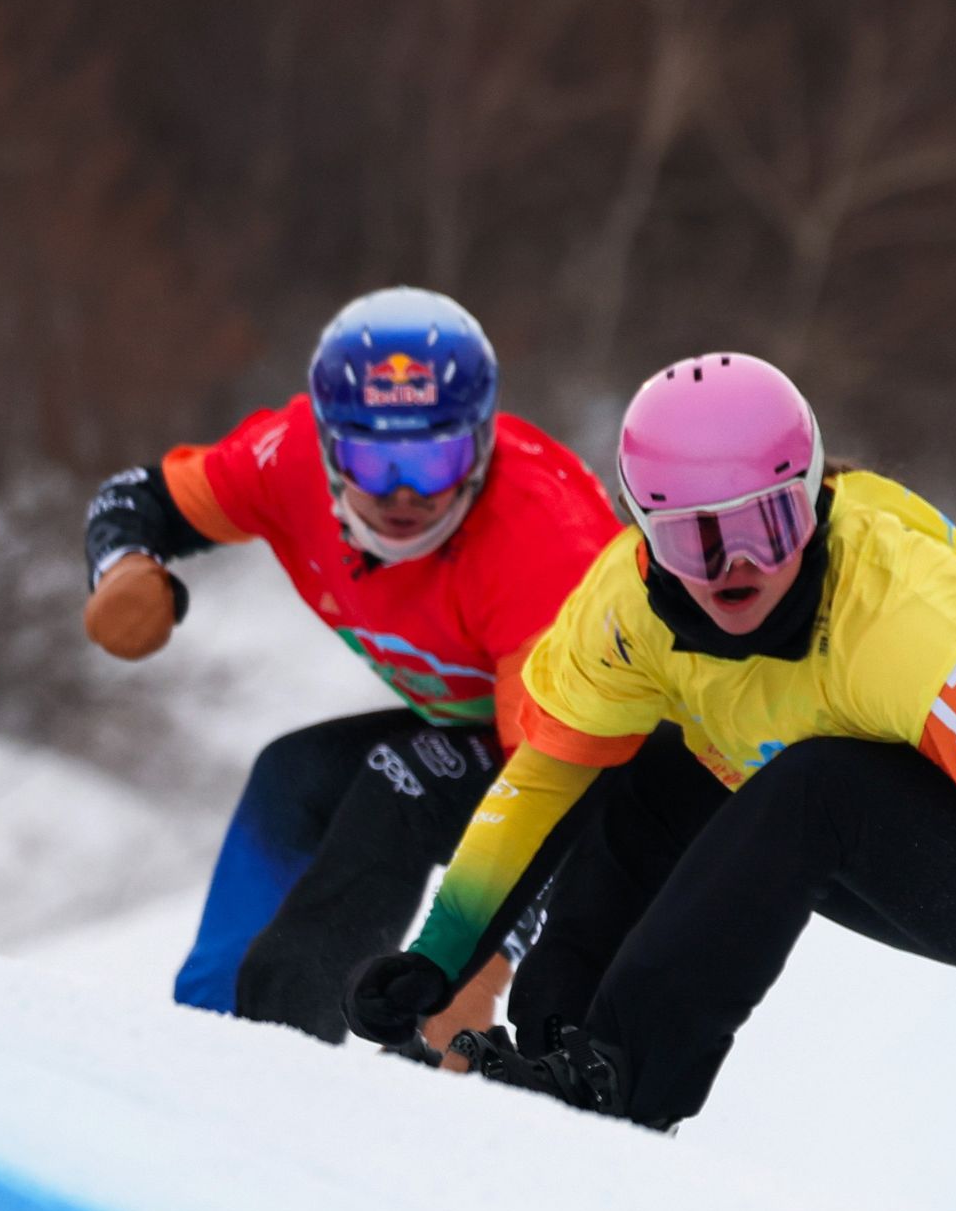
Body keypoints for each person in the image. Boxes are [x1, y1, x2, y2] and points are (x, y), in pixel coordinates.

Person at [339, 352, 956, 1128]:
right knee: (634, 759)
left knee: (820, 785)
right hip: (854, 794)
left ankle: (626, 1081)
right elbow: (541, 785)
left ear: (813, 503)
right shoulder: (620, 613)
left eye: (767, 526)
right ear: (643, 534)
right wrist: (439, 953)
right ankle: (563, 1050)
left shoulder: (898, 622)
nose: (734, 566)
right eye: (693, 538)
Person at [80, 287, 618, 1054]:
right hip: (488, 723)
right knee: (292, 774)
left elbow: (558, 794)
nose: (403, 493)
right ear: (329, 447)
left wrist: (486, 964)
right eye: (373, 457)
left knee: (400, 781)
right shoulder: (285, 457)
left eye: (434, 458)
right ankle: (204, 1035)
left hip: (609, 752)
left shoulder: (544, 547)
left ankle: (282, 1054)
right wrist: (123, 566)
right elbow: (142, 498)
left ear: (481, 445)